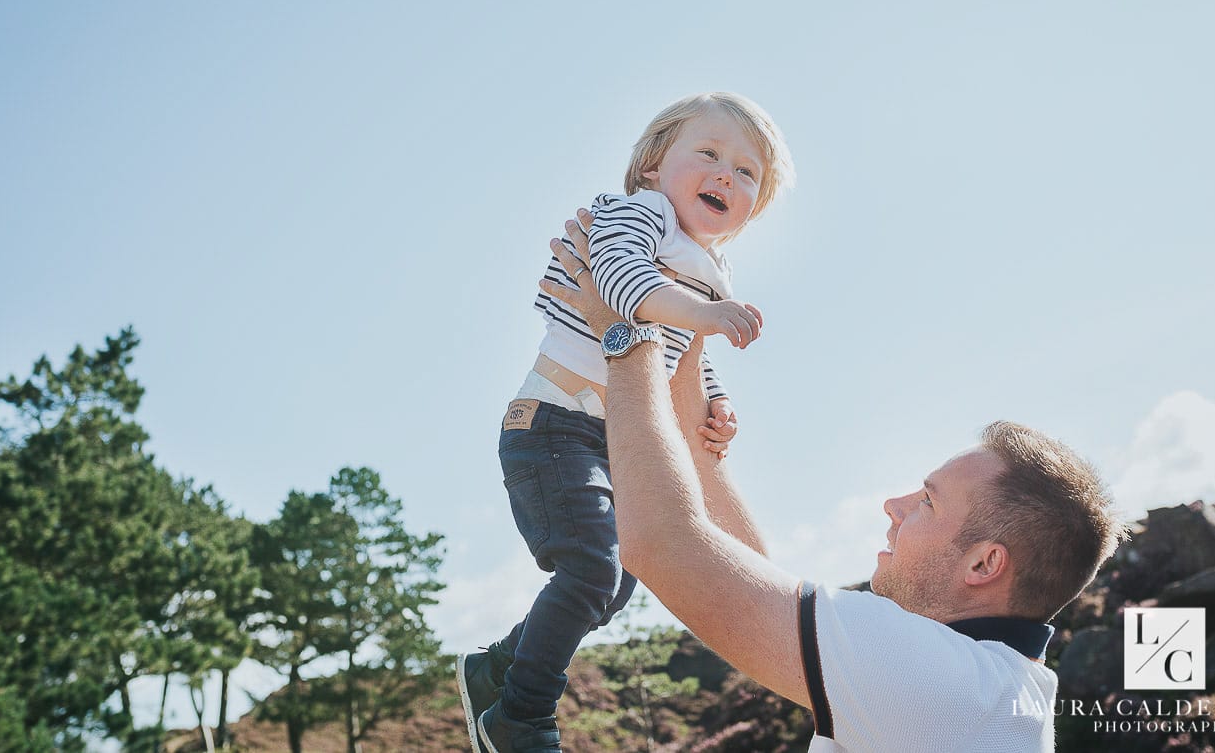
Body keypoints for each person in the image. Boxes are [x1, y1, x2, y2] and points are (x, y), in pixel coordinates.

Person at [536, 219, 1129, 752]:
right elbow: (750, 580)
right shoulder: (986, 687)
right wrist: (690, 360)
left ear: (984, 564)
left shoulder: (943, 684)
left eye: (927, 501)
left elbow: (664, 545)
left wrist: (627, 333)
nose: (893, 507)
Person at [457, 92, 796, 753]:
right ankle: (520, 716)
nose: (727, 174)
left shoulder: (710, 273)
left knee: (618, 582)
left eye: (747, 172)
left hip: (611, 443)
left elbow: (680, 356)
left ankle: (495, 666)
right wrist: (706, 315)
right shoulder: (635, 215)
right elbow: (619, 281)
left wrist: (716, 406)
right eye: (708, 153)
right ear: (650, 166)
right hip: (552, 426)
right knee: (591, 568)